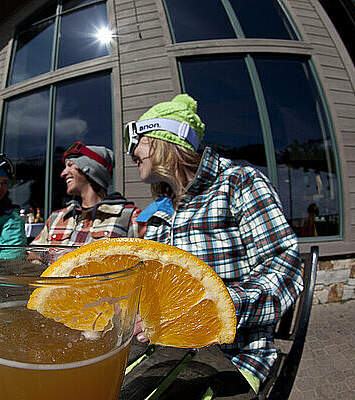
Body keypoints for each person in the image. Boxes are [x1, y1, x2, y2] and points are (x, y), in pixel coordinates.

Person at [125, 94, 303, 393]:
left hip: (231, 356)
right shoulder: (159, 211)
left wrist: (213, 307)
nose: (131, 154)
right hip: (165, 352)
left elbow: (283, 270)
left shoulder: (237, 183)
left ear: (162, 138)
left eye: (136, 142)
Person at [32, 142, 146, 246]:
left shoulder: (130, 217)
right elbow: (32, 258)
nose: (63, 173)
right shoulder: (56, 218)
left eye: (70, 165)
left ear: (90, 169)